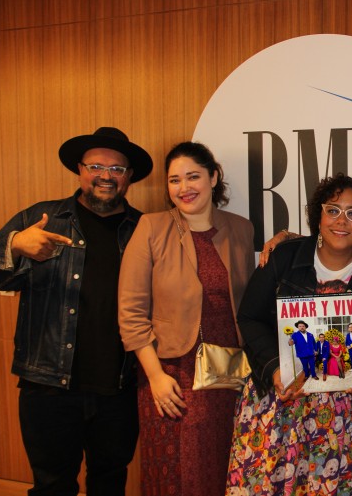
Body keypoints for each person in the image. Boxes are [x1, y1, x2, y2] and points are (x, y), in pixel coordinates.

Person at [0, 127, 152, 495]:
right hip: (48, 387)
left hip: (119, 387)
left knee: (109, 483)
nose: (105, 175)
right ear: (80, 170)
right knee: (51, 485)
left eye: (117, 169)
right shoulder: (42, 218)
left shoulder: (145, 229)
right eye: (96, 165)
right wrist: (15, 246)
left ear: (129, 178)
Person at [226, 173, 352, 495]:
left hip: (340, 412)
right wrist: (276, 369)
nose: (342, 221)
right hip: (278, 400)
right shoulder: (284, 256)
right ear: (318, 215)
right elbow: (250, 318)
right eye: (333, 210)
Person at [118, 141, 255, 496]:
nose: (184, 188)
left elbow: (249, 303)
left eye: (193, 176)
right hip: (171, 374)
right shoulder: (151, 227)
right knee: (176, 475)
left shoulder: (241, 229)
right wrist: (155, 376)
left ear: (213, 177)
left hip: (228, 375)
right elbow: (131, 313)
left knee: (225, 465)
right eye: (175, 180)